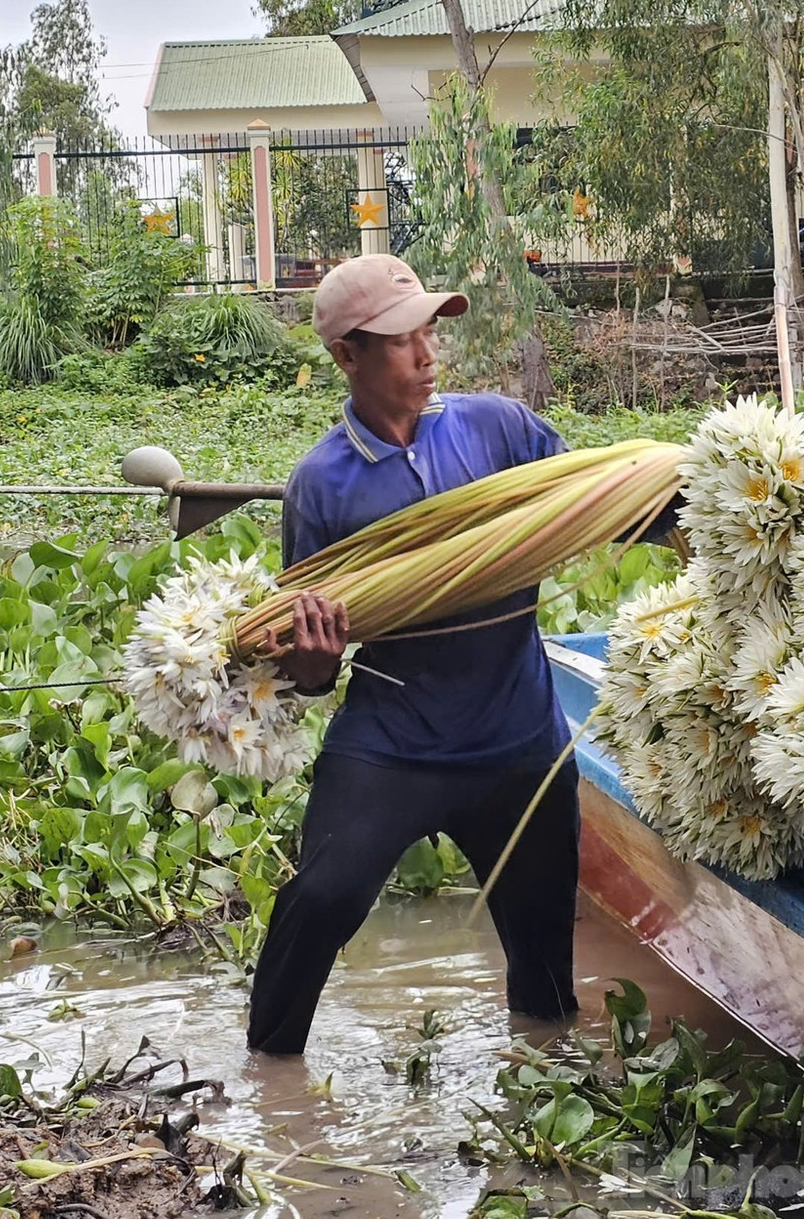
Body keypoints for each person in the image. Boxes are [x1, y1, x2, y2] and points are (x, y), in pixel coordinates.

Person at [246, 254, 580, 1055]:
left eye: (430, 331)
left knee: (548, 982)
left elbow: (583, 506)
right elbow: (308, 674)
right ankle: (266, 1075)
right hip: (396, 744)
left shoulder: (500, 428)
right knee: (319, 897)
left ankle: (548, 1074)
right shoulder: (320, 487)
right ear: (347, 356)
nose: (429, 354)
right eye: (402, 340)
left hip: (520, 741)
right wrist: (316, 662)